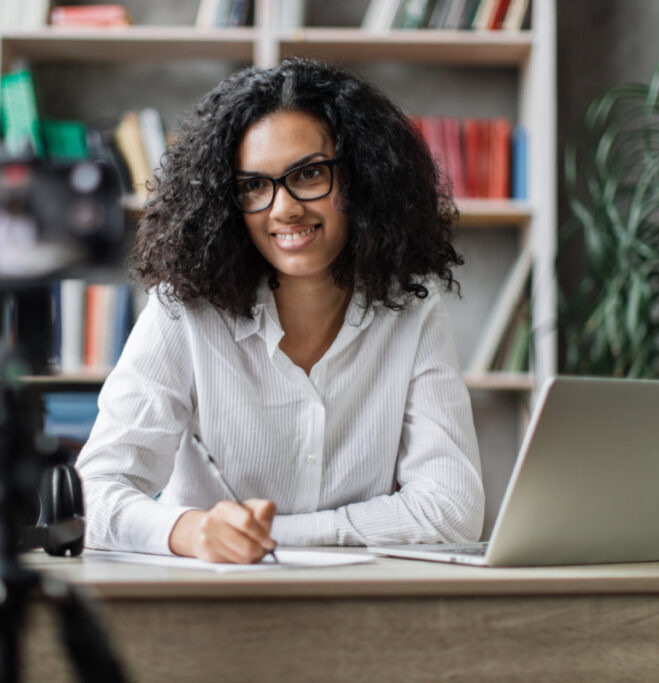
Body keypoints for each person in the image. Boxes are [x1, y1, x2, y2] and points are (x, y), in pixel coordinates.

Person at [76, 58, 484, 564]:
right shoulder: (182, 311)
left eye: (309, 174)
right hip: (208, 607)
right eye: (253, 185)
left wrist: (277, 535)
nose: (283, 209)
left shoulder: (413, 310)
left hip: (363, 609)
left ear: (361, 180)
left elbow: (451, 510)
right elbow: (94, 493)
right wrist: (191, 531)